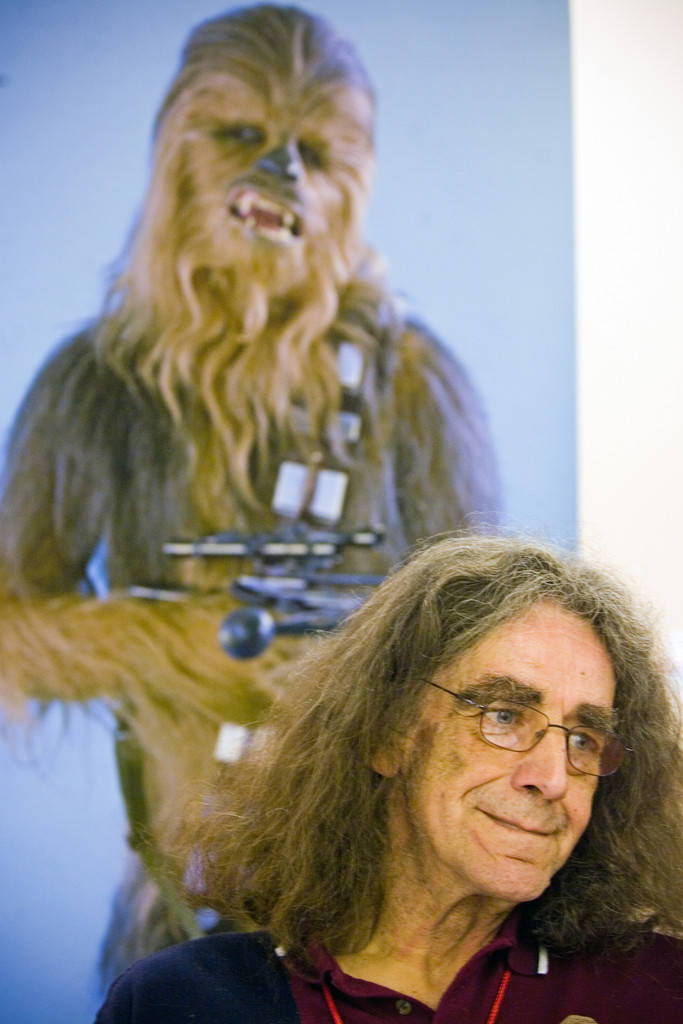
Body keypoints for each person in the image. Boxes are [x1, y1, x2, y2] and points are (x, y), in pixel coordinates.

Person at [94, 533, 683, 1022]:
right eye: (503, 716)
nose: (551, 778)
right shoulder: (184, 999)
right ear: (388, 733)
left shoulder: (658, 993)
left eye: (583, 740)